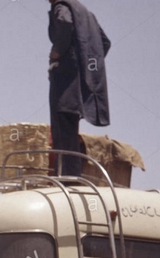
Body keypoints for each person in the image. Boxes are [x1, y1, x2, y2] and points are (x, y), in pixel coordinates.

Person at [48, 0, 111, 176]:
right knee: (69, 129)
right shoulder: (87, 15)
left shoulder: (61, 7)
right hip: (80, 85)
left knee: (62, 130)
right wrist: (86, 64)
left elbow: (65, 24)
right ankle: (70, 175)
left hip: (65, 82)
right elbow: (104, 43)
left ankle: (67, 177)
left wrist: (57, 53)